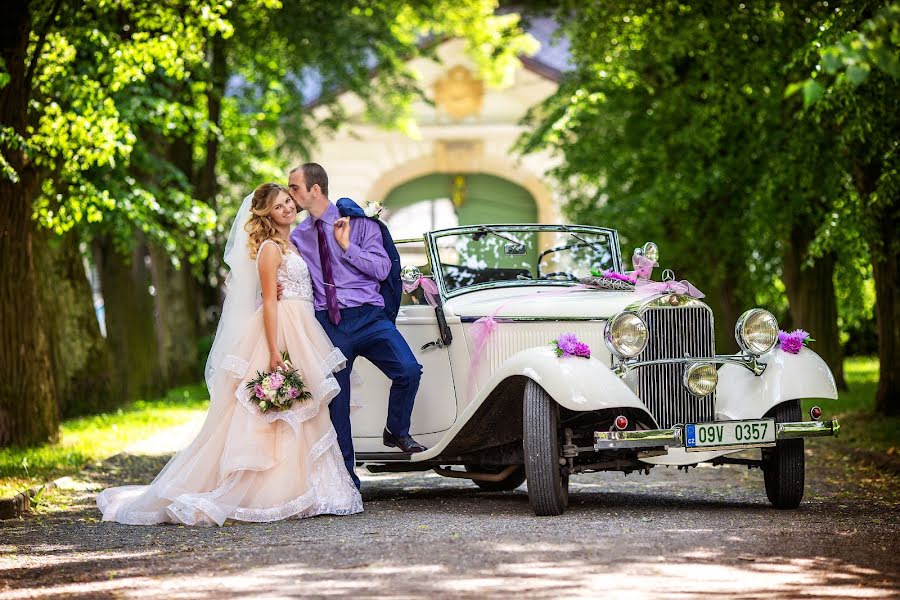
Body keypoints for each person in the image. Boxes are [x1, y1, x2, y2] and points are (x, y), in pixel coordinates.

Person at [96, 183, 362, 525]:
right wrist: (272, 350)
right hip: (282, 331)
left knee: (304, 410)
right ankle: (268, 489)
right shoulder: (269, 249)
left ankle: (313, 487)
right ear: (266, 214)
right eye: (279, 205)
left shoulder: (291, 244)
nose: (287, 209)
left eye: (288, 203)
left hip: (303, 326)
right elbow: (267, 300)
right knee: (273, 414)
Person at [288, 163, 426, 490]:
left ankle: (396, 430)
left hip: (369, 317)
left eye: (294, 187)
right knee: (338, 402)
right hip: (329, 323)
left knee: (408, 370)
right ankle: (348, 483)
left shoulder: (362, 224)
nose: (290, 193)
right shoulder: (297, 236)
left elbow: (381, 269)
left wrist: (348, 247)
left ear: (315, 189)